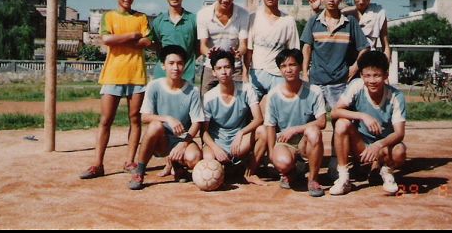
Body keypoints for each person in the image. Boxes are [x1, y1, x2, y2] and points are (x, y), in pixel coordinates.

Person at [80, 0, 152, 179]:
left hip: (136, 75)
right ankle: (97, 164)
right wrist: (132, 35)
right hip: (112, 74)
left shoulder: (141, 18)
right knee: (106, 120)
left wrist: (120, 39)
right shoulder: (109, 16)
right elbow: (106, 39)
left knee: (135, 119)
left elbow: (147, 42)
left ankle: (130, 161)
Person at [329, 51, 407, 196]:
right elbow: (335, 112)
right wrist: (362, 116)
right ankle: (344, 178)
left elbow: (399, 133)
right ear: (361, 75)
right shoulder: (356, 86)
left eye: (377, 75)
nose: (371, 80)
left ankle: (386, 171)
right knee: (341, 123)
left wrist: (378, 145)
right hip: (361, 147)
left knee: (400, 151)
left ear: (386, 75)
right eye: (367, 75)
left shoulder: (396, 96)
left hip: (383, 148)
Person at [128, 45, 204, 190]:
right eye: (171, 63)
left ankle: (177, 165)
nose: (175, 67)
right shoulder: (154, 86)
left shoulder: (192, 91)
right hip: (160, 140)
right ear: (163, 65)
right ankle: (139, 172)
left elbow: (196, 123)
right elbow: (144, 117)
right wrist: (168, 118)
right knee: (155, 125)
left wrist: (183, 144)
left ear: (185, 66)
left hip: (181, 139)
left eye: (180, 63)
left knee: (194, 158)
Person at [265, 49, 327, 197]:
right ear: (280, 69)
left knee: (313, 131)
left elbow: (322, 122)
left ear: (300, 66)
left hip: (306, 142)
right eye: (284, 66)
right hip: (285, 142)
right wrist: (271, 154)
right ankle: (293, 170)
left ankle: (312, 179)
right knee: (282, 162)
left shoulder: (314, 91)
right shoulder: (273, 95)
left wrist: (295, 129)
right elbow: (270, 126)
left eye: (292, 65)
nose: (288, 69)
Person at [301, 0, 370, 109]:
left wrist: (354, 68)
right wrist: (304, 73)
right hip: (316, 82)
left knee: (342, 119)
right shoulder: (313, 21)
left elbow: (365, 48)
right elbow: (307, 47)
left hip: (340, 83)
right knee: (311, 119)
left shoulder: (350, 22)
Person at [202, 50, 267, 186]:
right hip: (217, 143)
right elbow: (204, 132)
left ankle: (250, 173)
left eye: (227, 67)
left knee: (263, 131)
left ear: (233, 69)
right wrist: (215, 148)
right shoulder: (209, 97)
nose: (223, 72)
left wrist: (241, 132)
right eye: (219, 68)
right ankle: (227, 170)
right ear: (213, 72)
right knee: (208, 158)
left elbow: (259, 119)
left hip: (239, 143)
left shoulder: (246, 89)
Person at [244, 0, 300, 114]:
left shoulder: (288, 21)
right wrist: (245, 75)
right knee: (248, 112)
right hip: (256, 72)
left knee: (277, 113)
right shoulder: (253, 18)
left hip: (278, 74)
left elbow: (293, 52)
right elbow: (249, 50)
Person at [309, 0, 390, 62]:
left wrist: (386, 66)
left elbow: (385, 44)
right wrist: (316, 10)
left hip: (369, 61)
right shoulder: (345, 13)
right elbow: (325, 25)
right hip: (346, 61)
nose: (361, 1)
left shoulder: (379, 13)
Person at [197, 0, 249, 94]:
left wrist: (238, 53)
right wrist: (209, 53)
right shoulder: (203, 14)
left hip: (234, 67)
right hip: (211, 67)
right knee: (206, 99)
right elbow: (203, 46)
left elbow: (243, 45)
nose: (225, 0)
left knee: (238, 99)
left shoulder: (243, 14)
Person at [150, 0, 198, 83]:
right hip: (162, 76)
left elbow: (198, 47)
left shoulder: (194, 20)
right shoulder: (158, 21)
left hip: (186, 75)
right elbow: (158, 47)